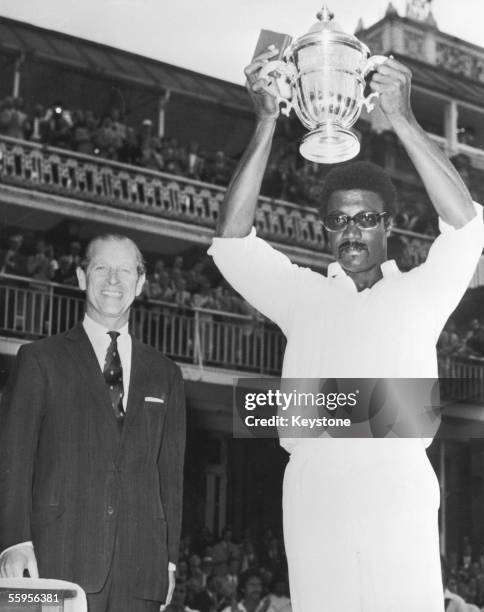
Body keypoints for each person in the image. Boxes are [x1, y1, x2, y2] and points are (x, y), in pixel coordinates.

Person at [207, 46, 484, 612]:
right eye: (337, 220)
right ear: (324, 229)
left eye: (364, 218)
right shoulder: (302, 294)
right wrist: (264, 120)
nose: (351, 231)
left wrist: (402, 117)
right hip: (316, 494)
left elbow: (466, 228)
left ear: (389, 224)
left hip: (398, 488)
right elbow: (232, 242)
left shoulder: (420, 292)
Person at [0, 234, 186, 612]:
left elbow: (171, 476)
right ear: (82, 278)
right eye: (102, 268)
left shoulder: (166, 373)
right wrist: (14, 540)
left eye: (125, 270)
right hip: (55, 559)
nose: (113, 280)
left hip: (141, 567)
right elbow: (13, 459)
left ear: (141, 283)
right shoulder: (39, 360)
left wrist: (168, 559)